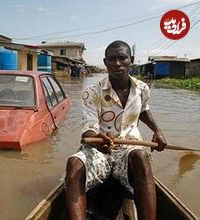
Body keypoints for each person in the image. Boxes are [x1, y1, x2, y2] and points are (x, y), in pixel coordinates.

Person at [65, 40, 167, 220]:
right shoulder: (92, 92)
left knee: (142, 158)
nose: (117, 63)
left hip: (128, 150)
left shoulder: (142, 88)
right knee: (73, 164)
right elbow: (88, 130)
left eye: (122, 58)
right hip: (99, 152)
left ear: (131, 60)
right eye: (111, 59)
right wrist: (98, 139)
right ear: (105, 63)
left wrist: (157, 130)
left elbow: (143, 110)